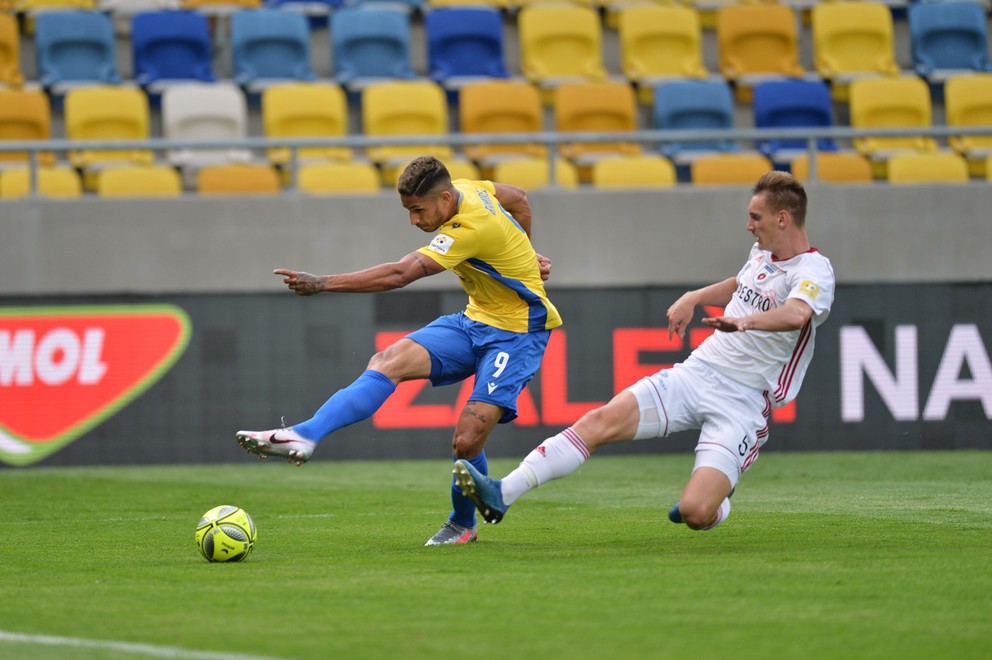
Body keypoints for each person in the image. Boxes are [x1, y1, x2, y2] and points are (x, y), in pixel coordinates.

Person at [453, 171, 835, 532]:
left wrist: (745, 322)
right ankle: (502, 493)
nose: (749, 225)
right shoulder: (761, 252)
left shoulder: (814, 270)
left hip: (746, 400)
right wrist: (695, 297)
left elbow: (797, 313)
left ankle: (717, 497)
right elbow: (743, 281)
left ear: (783, 218)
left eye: (756, 217)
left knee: (695, 514)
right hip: (698, 373)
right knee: (599, 422)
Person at [235, 156, 562, 546]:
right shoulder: (469, 187)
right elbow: (520, 198)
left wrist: (322, 283)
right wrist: (526, 254)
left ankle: (462, 523)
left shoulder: (469, 228)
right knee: (387, 360)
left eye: (417, 210)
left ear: (443, 198)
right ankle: (305, 435)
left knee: (467, 441)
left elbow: (401, 273)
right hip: (475, 320)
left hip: (518, 333)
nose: (413, 221)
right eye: (408, 210)